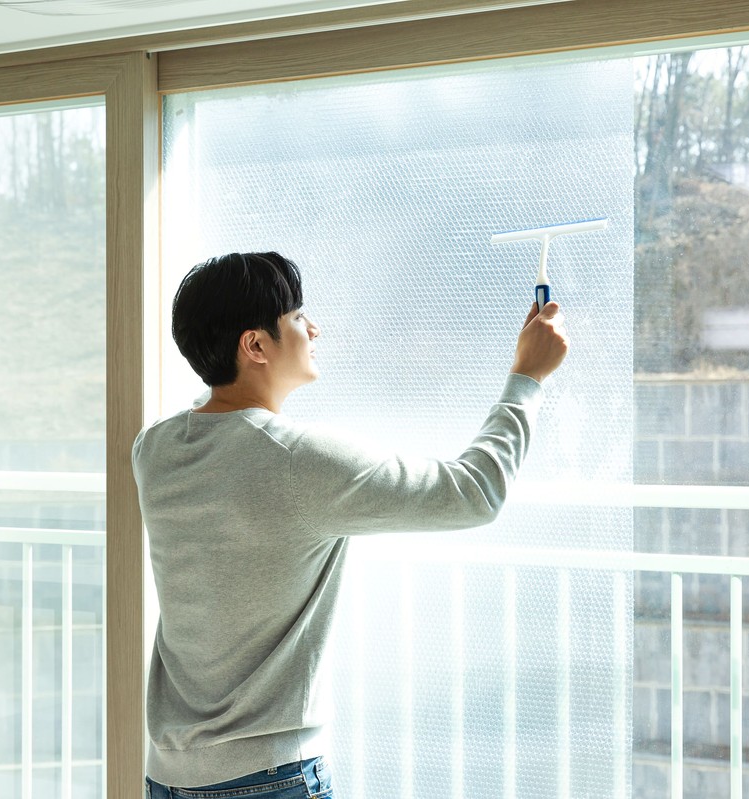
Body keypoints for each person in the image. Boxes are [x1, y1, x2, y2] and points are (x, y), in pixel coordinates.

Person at [132, 251, 568, 799]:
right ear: (255, 346)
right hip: (268, 779)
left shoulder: (154, 449)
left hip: (169, 777)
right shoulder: (299, 460)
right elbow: (473, 493)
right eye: (295, 316)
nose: (313, 328)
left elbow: (218, 421)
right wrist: (527, 377)